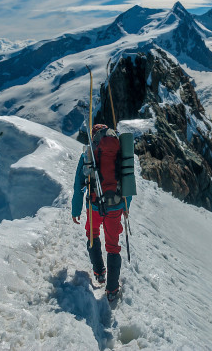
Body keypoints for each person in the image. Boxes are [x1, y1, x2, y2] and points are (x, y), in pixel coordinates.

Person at [72, 123, 131, 302]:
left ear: (94, 136)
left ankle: (99, 271)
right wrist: (126, 206)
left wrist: (76, 209)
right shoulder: (121, 151)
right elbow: (127, 178)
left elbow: (78, 184)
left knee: (92, 234)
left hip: (95, 205)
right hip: (116, 206)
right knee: (113, 245)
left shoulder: (89, 153)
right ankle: (112, 290)